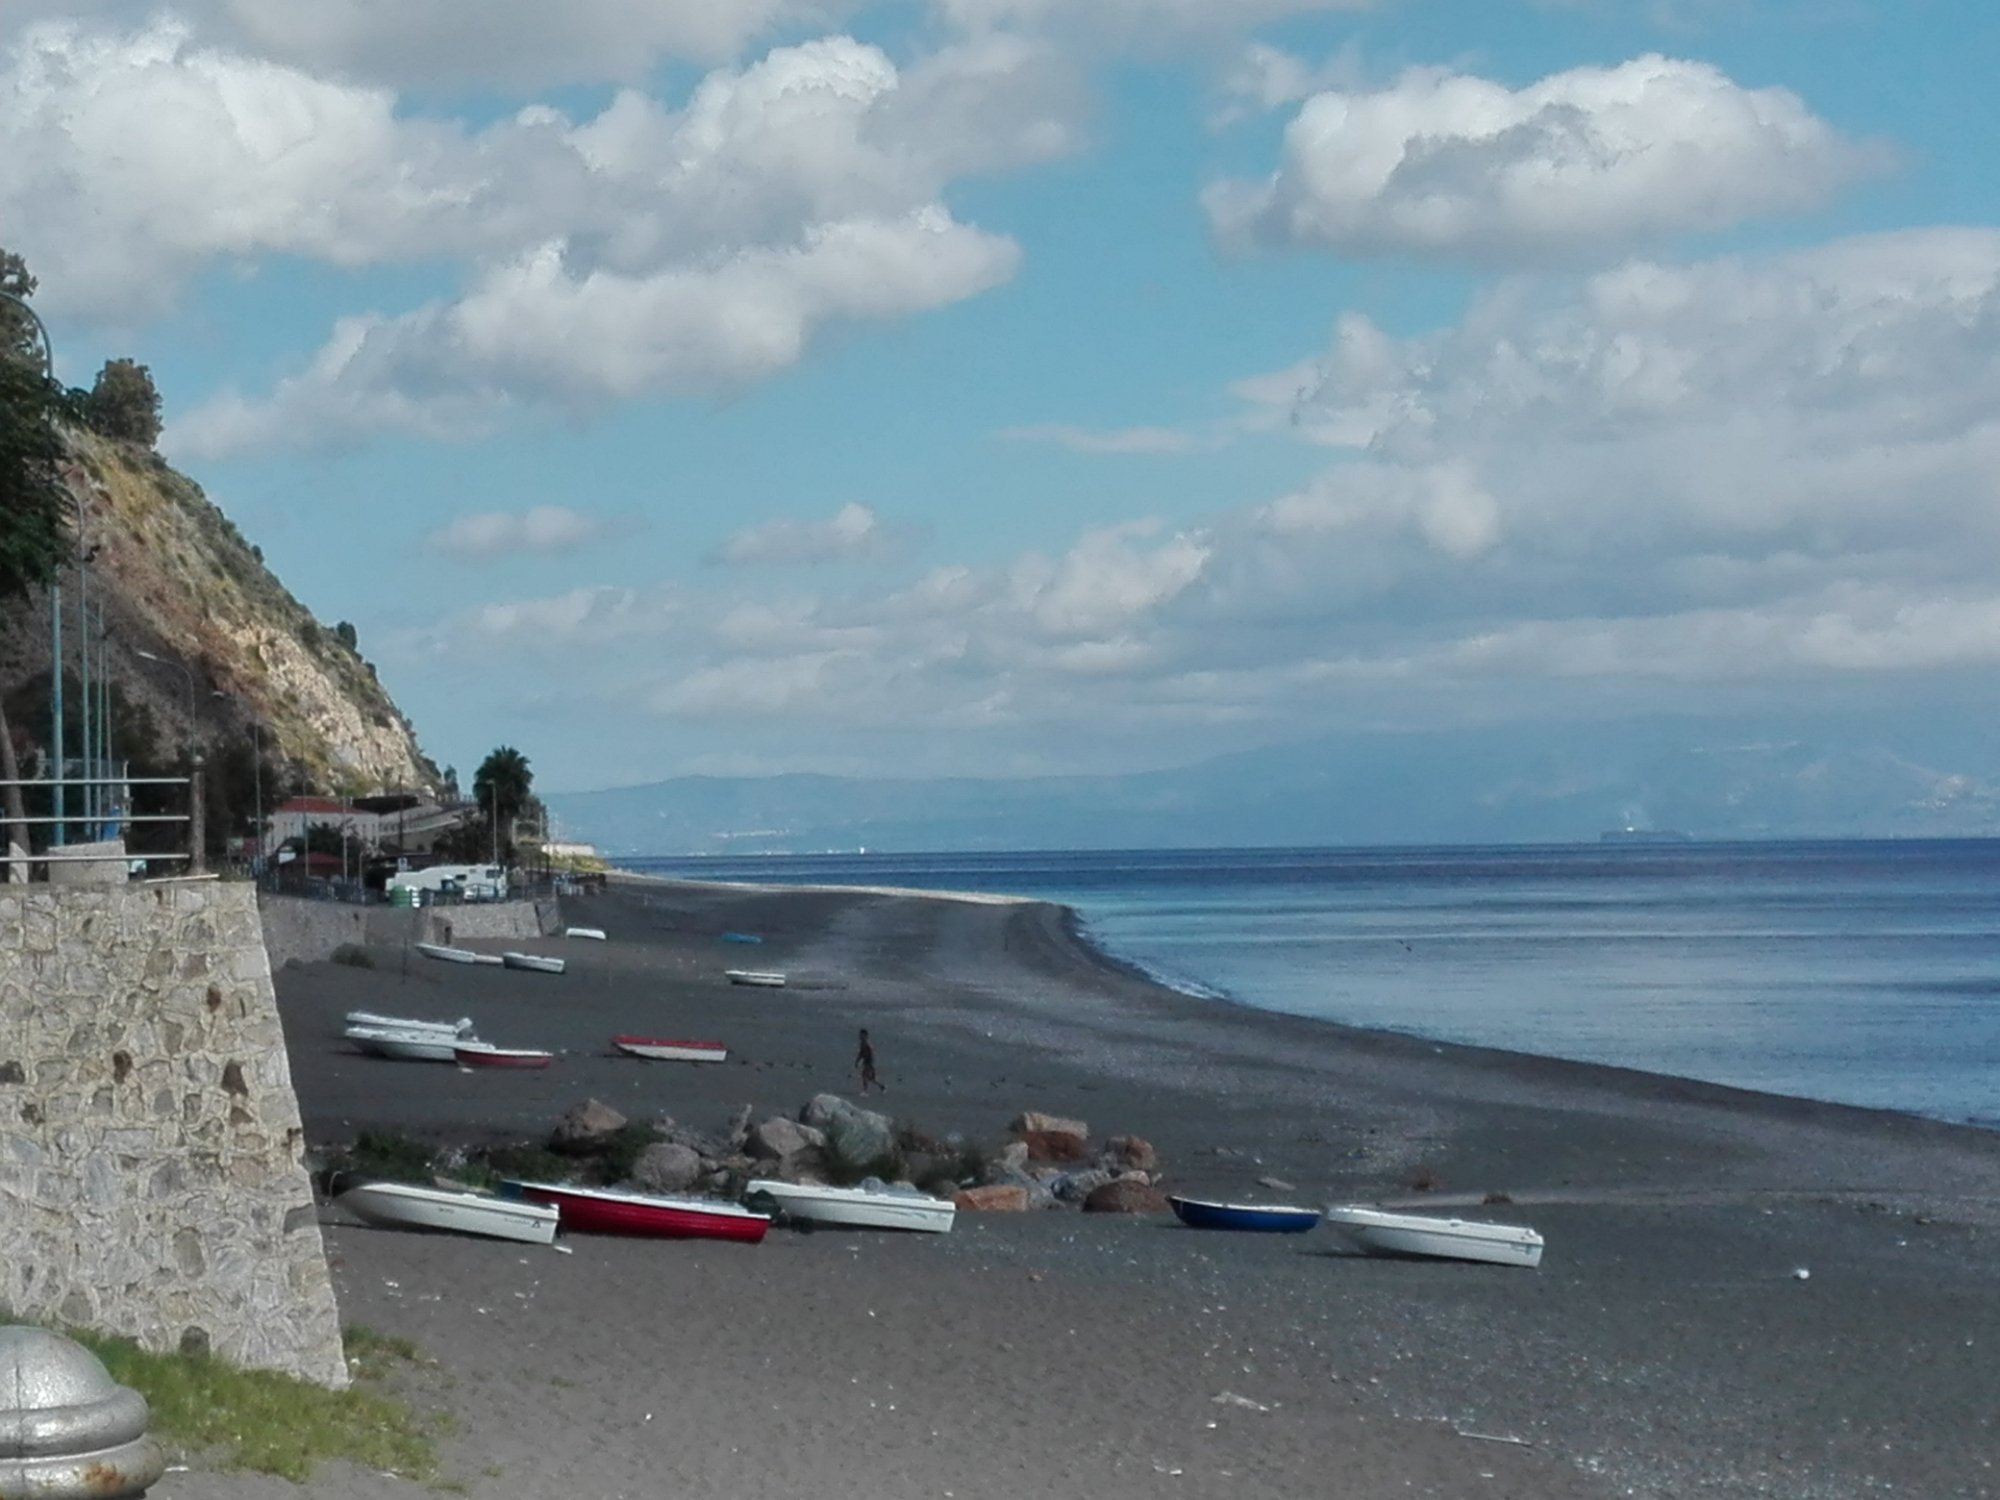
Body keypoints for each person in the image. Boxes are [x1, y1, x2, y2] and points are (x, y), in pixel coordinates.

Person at [854, 1028, 884, 1095]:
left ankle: (865, 1091)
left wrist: (871, 1064)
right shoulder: (862, 1043)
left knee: (864, 1076)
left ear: (865, 1035)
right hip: (866, 1061)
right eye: (860, 1034)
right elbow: (861, 1053)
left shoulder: (867, 1044)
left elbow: (871, 1054)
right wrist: (857, 1061)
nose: (860, 1036)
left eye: (861, 1035)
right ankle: (881, 1086)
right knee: (870, 1078)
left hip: (869, 1062)